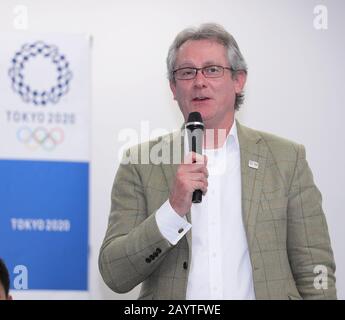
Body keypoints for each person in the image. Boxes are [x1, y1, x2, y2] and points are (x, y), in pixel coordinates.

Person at [99, 23, 336, 300]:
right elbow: (115, 274)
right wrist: (173, 210)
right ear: (173, 88)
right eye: (187, 72)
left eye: (212, 70)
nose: (199, 81)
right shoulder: (139, 163)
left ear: (238, 80)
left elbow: (314, 269)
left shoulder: (286, 159)